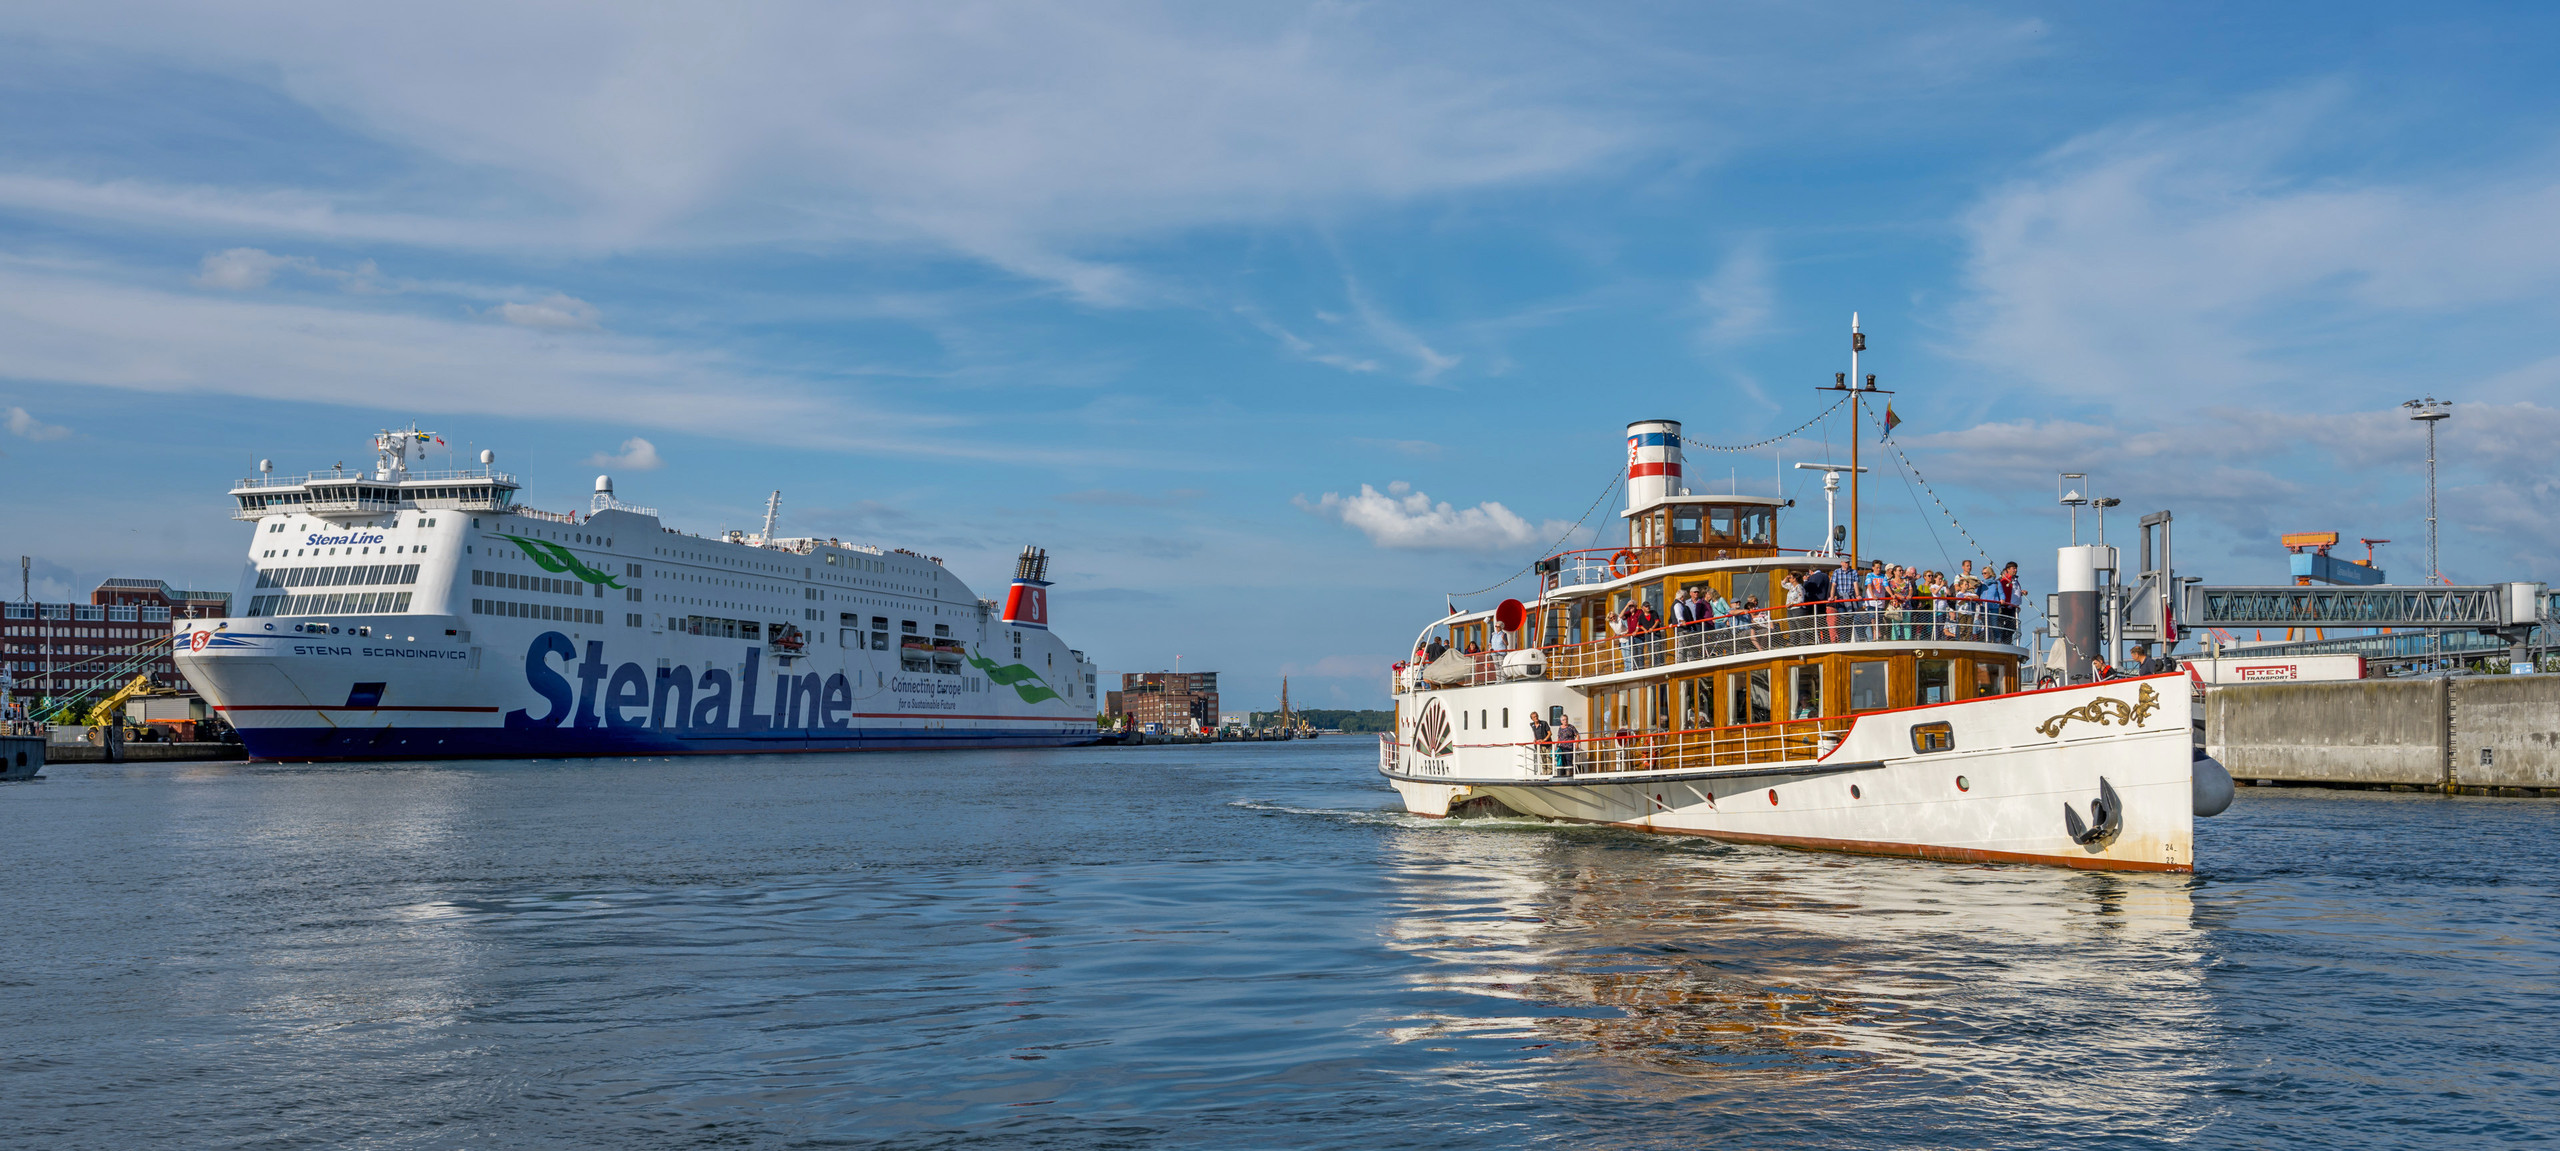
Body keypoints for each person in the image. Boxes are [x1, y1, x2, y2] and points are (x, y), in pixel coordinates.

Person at [1799, 564, 1831, 644]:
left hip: (1813, 602)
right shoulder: (1825, 576)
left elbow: (1806, 588)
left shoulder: (1812, 578)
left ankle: (1815, 640)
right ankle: (1827, 640)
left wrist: (1805, 581)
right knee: (1823, 621)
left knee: (1813, 622)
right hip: (1823, 602)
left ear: (1810, 571)